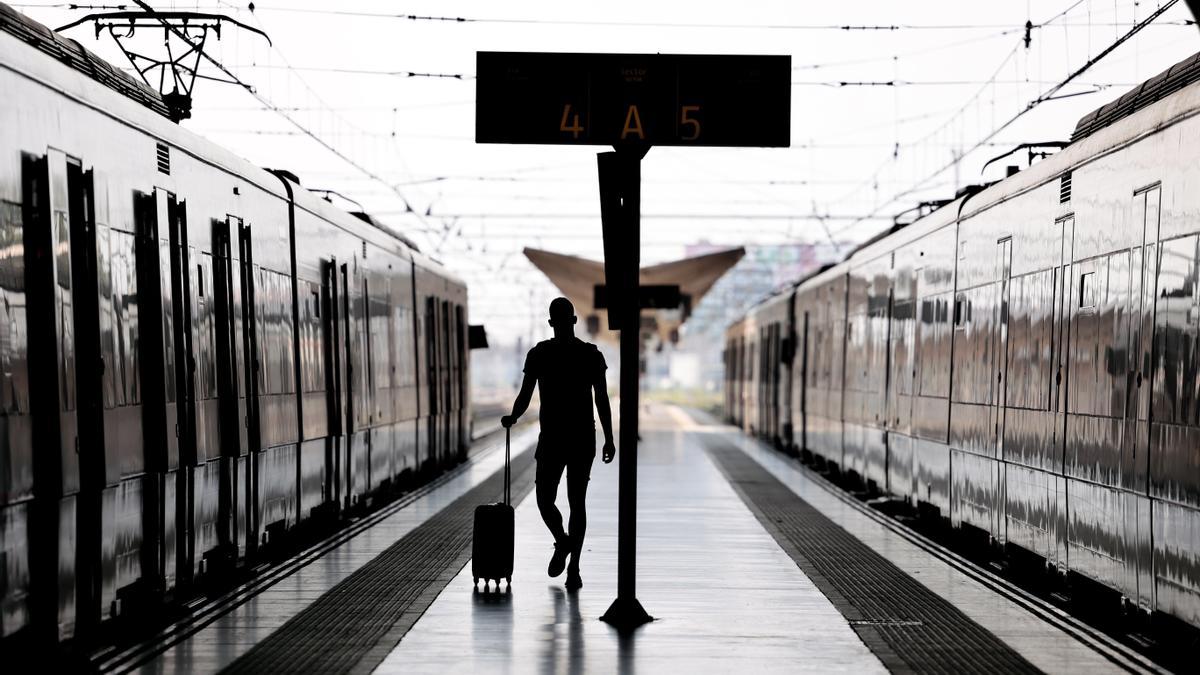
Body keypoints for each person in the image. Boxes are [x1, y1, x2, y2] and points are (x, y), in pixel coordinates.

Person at [502, 297, 616, 591]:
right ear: (574, 321)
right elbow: (601, 399)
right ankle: (572, 564)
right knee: (577, 503)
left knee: (544, 499)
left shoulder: (540, 354)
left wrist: (513, 417)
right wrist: (609, 438)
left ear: (551, 322)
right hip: (582, 438)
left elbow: (526, 395)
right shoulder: (590, 355)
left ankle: (563, 543)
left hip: (553, 438)